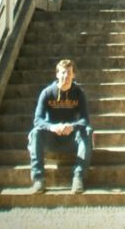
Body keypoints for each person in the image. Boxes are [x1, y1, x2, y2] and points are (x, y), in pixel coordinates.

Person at [27, 57, 92, 195]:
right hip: (52, 138)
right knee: (36, 132)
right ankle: (38, 178)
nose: (66, 76)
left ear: (73, 75)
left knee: (87, 131)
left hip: (71, 138)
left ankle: (78, 177)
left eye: (69, 73)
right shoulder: (47, 93)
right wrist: (52, 127)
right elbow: (37, 120)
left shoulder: (79, 93)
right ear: (57, 74)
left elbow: (85, 120)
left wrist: (72, 126)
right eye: (63, 72)